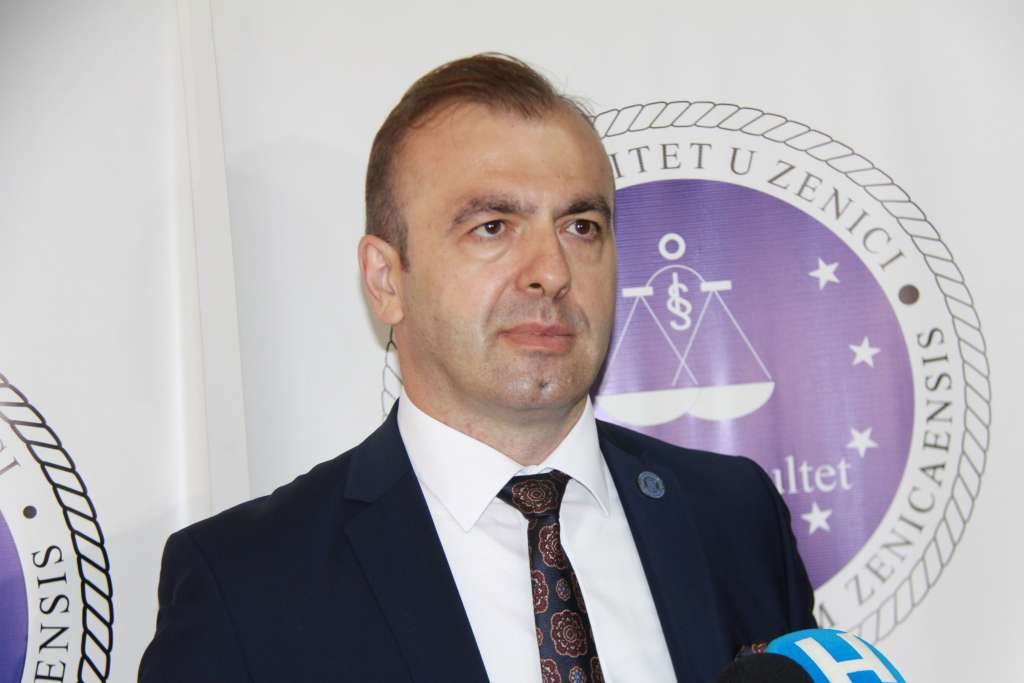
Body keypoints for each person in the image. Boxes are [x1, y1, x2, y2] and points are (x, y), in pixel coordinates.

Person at [139, 53, 814, 683]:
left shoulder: (734, 516)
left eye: (581, 226)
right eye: (492, 226)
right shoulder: (246, 582)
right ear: (385, 279)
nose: (551, 271)